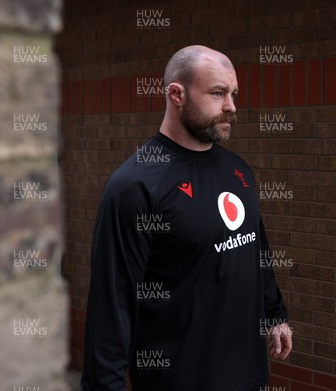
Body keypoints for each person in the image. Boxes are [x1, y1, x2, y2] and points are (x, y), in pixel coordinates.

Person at [81, 45, 292, 391]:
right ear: (176, 94)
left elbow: (256, 250)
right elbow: (113, 302)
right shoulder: (135, 186)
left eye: (234, 94)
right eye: (217, 93)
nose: (231, 107)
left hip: (248, 375)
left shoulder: (237, 170)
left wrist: (275, 314)